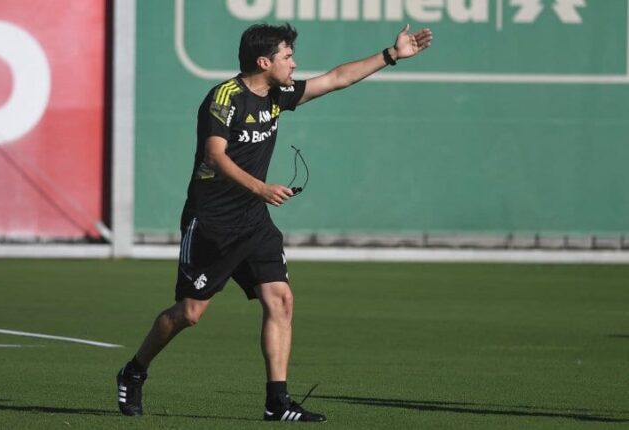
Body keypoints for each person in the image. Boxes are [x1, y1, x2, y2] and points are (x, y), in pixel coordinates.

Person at [117, 22, 433, 422]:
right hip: (212, 222)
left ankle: (277, 402)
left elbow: (336, 79)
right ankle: (134, 370)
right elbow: (215, 156)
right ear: (264, 61)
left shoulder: (279, 94)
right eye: (287, 56)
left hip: (254, 221)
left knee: (280, 299)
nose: (294, 63)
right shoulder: (223, 98)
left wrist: (390, 55)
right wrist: (261, 188)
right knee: (189, 314)